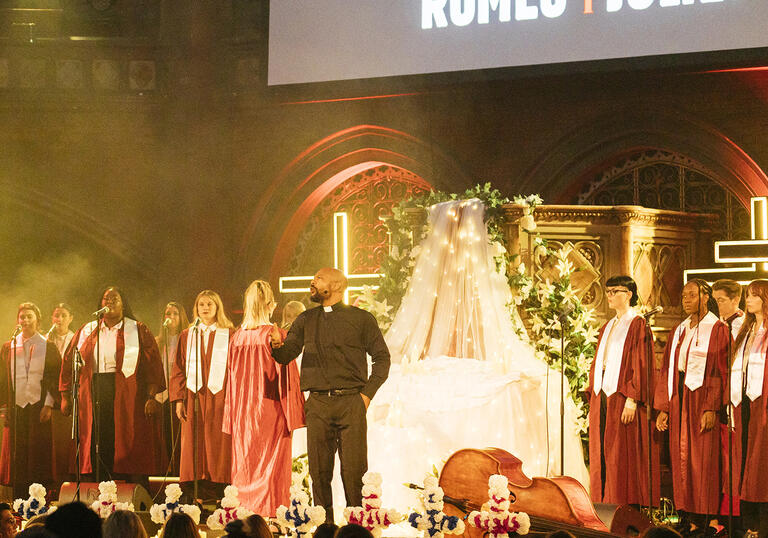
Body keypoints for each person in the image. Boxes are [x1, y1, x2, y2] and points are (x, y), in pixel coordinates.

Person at [271, 267, 390, 521]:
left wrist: (366, 396)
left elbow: (382, 359)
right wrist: (276, 345)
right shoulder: (305, 320)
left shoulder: (361, 319)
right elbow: (286, 355)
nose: (312, 282)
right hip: (318, 405)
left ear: (336, 285)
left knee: (354, 473)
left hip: (351, 402)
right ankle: (324, 529)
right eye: (313, 278)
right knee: (319, 473)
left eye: (319, 278)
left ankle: (356, 530)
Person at [60, 286, 166, 483]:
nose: (109, 302)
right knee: (97, 436)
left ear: (123, 304)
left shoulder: (137, 329)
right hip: (93, 390)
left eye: (114, 299)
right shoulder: (88, 330)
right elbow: (69, 362)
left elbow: (153, 365)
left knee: (123, 435)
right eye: (106, 299)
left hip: (127, 392)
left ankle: (125, 481)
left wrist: (151, 396)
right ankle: (97, 480)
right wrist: (65, 395)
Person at [223, 280, 304, 514]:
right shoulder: (275, 335)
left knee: (246, 462)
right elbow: (288, 378)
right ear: (270, 305)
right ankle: (271, 515)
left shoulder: (236, 338)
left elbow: (230, 380)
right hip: (271, 408)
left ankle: (243, 513)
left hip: (242, 412)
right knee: (272, 463)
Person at [655, 279, 728, 527]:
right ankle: (685, 515)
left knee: (702, 457)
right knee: (680, 456)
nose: (686, 300)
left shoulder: (717, 329)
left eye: (691, 295)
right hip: (679, 395)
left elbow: (719, 372)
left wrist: (710, 406)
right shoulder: (679, 329)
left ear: (705, 297)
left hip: (701, 395)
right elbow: (666, 369)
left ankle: (704, 516)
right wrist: (664, 407)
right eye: (684, 296)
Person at [587, 276, 659, 505]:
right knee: (602, 450)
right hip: (603, 393)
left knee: (619, 452)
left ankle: (620, 503)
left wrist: (632, 398)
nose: (609, 296)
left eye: (614, 291)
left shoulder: (637, 323)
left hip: (621, 395)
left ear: (628, 294)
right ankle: (602, 501)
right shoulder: (609, 326)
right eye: (607, 291)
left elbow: (642, 363)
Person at [170, 291, 233, 497]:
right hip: (193, 397)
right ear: (196, 308)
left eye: (209, 304)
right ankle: (194, 491)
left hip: (221, 397)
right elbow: (178, 368)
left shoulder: (230, 334)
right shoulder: (188, 335)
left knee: (219, 442)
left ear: (217, 307)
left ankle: (221, 489)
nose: (205, 308)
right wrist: (179, 399)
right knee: (194, 443)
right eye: (201, 304)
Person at [0, 303, 61, 495]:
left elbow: (55, 377)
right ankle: (18, 502)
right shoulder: (9, 347)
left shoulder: (48, 346)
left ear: (37, 320)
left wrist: (49, 404)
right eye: (22, 317)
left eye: (29, 317)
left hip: (38, 407)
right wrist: (4, 407)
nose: (25, 320)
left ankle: (38, 501)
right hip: (16, 408)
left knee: (38, 456)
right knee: (18, 457)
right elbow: (2, 380)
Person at [728, 280, 768, 538]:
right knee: (745, 463)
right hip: (743, 404)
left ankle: (762, 526)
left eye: (754, 295)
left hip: (763, 405)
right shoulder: (745, 331)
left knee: (760, 464)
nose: (748, 300)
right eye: (748, 295)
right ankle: (749, 525)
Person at [156, 301, 189, 475]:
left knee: (179, 434)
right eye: (168, 313)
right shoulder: (158, 342)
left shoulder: (187, 338)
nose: (171, 317)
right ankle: (167, 469)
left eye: (175, 313)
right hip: (161, 394)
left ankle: (181, 470)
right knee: (164, 435)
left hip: (179, 393)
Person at [47, 303, 76, 483]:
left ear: (70, 318)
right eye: (56, 315)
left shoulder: (76, 338)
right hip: (51, 395)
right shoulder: (46, 340)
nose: (59, 319)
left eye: (63, 315)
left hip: (69, 394)